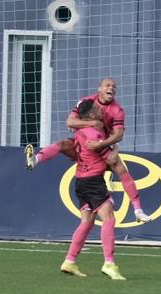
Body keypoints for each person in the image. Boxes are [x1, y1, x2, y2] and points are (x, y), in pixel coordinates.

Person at [24, 77, 152, 223]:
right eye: (107, 85)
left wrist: (102, 145)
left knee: (119, 168)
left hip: (101, 145)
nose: (111, 88)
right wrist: (93, 123)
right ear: (99, 89)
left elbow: (118, 135)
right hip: (83, 144)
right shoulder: (86, 102)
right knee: (62, 144)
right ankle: (35, 160)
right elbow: (70, 122)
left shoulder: (117, 111)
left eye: (114, 87)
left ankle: (138, 210)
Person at [59, 99, 126, 280]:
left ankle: (70, 261)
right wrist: (116, 148)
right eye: (97, 109)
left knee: (87, 221)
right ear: (90, 115)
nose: (100, 111)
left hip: (80, 180)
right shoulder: (93, 133)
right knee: (109, 218)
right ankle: (109, 263)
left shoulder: (80, 131)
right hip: (93, 181)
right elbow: (110, 161)